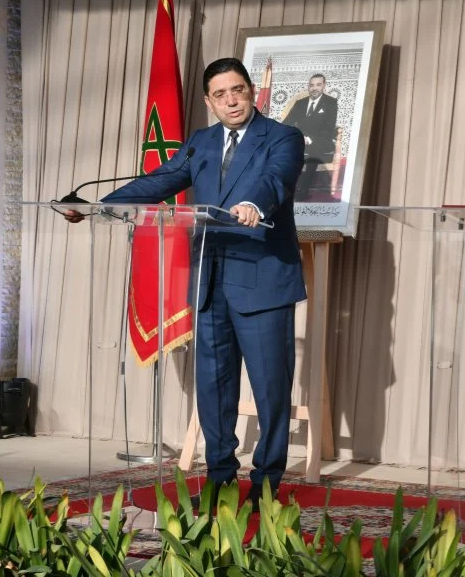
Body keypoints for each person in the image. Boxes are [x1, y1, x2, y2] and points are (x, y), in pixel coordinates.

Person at [64, 57, 306, 506]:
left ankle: (267, 486)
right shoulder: (200, 143)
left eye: (238, 90)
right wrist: (100, 205)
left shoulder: (283, 137)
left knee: (271, 389)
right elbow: (160, 181)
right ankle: (220, 481)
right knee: (214, 388)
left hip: (262, 282)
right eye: (220, 94)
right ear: (208, 101)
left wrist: (254, 202)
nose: (231, 100)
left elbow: (277, 180)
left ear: (252, 91)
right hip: (209, 283)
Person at [282, 73, 339, 200]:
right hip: (300, 139)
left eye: (318, 85)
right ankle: (285, 187)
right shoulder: (300, 103)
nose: (314, 88)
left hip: (321, 140)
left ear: (324, 86)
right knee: (285, 151)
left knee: (314, 152)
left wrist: (309, 139)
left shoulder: (331, 103)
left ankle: (302, 190)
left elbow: (328, 129)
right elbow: (286, 122)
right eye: (311, 85)